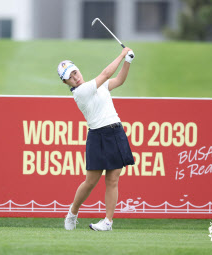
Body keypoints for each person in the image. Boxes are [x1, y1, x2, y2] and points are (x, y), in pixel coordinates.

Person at [57, 47, 135, 231]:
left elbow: (119, 80)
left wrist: (128, 62)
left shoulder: (98, 86)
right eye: (70, 76)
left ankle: (108, 222)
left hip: (115, 131)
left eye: (75, 72)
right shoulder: (81, 91)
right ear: (65, 81)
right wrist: (122, 54)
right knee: (91, 181)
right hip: (98, 135)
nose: (75, 77)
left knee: (113, 179)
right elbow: (107, 73)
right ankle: (72, 213)